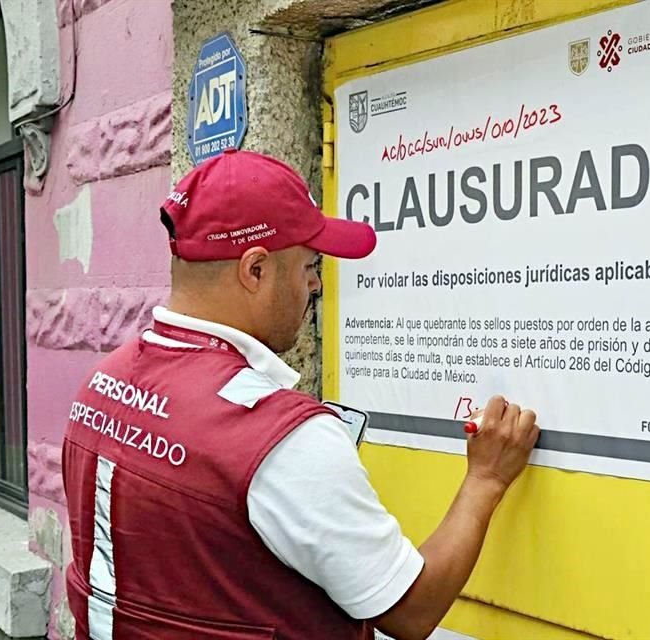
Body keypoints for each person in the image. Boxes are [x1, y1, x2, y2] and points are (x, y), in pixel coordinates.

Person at [62, 148, 540, 640]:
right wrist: (485, 478)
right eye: (310, 265)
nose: (315, 284)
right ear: (255, 271)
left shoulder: (101, 383)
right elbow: (412, 612)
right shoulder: (276, 438)